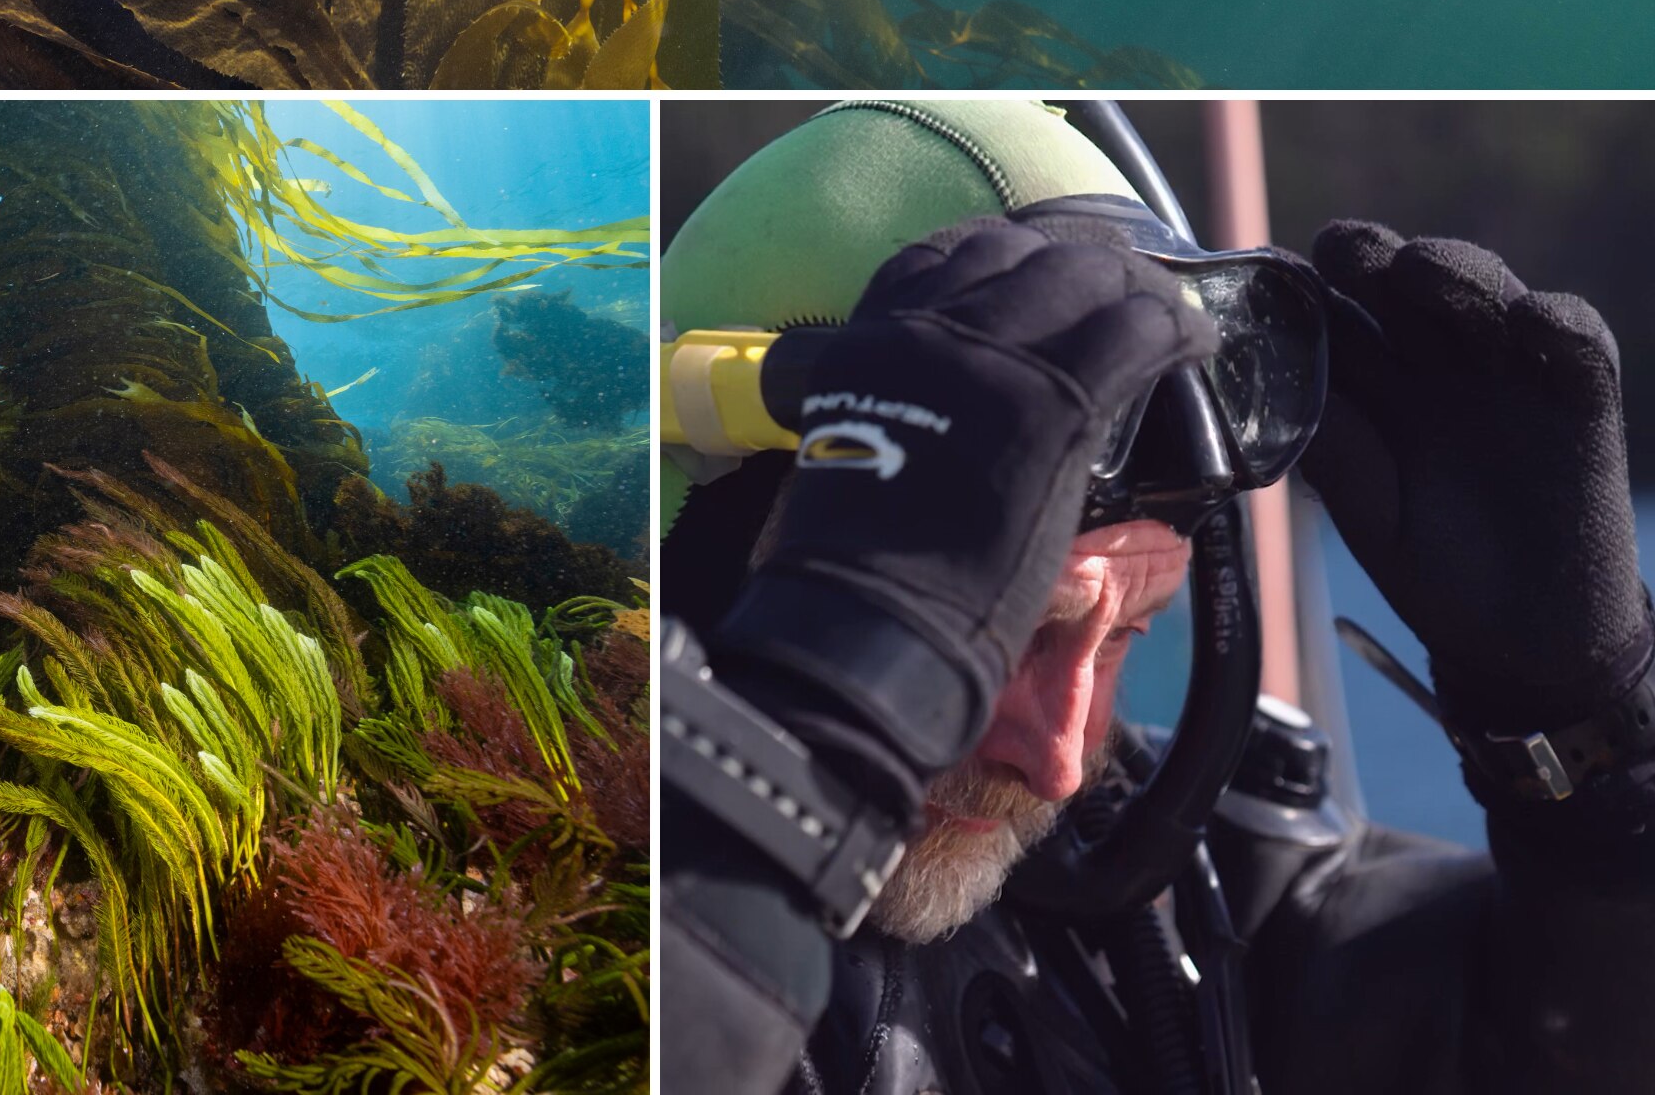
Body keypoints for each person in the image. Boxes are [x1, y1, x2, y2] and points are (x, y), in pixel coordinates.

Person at [659, 98, 1655, 1095]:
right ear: (703, 540)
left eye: (1121, 636)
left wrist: (1593, 763)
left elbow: (1543, 1041)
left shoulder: (1159, 910)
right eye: (991, 631)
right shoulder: (532, 866)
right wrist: (813, 752)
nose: (1055, 760)